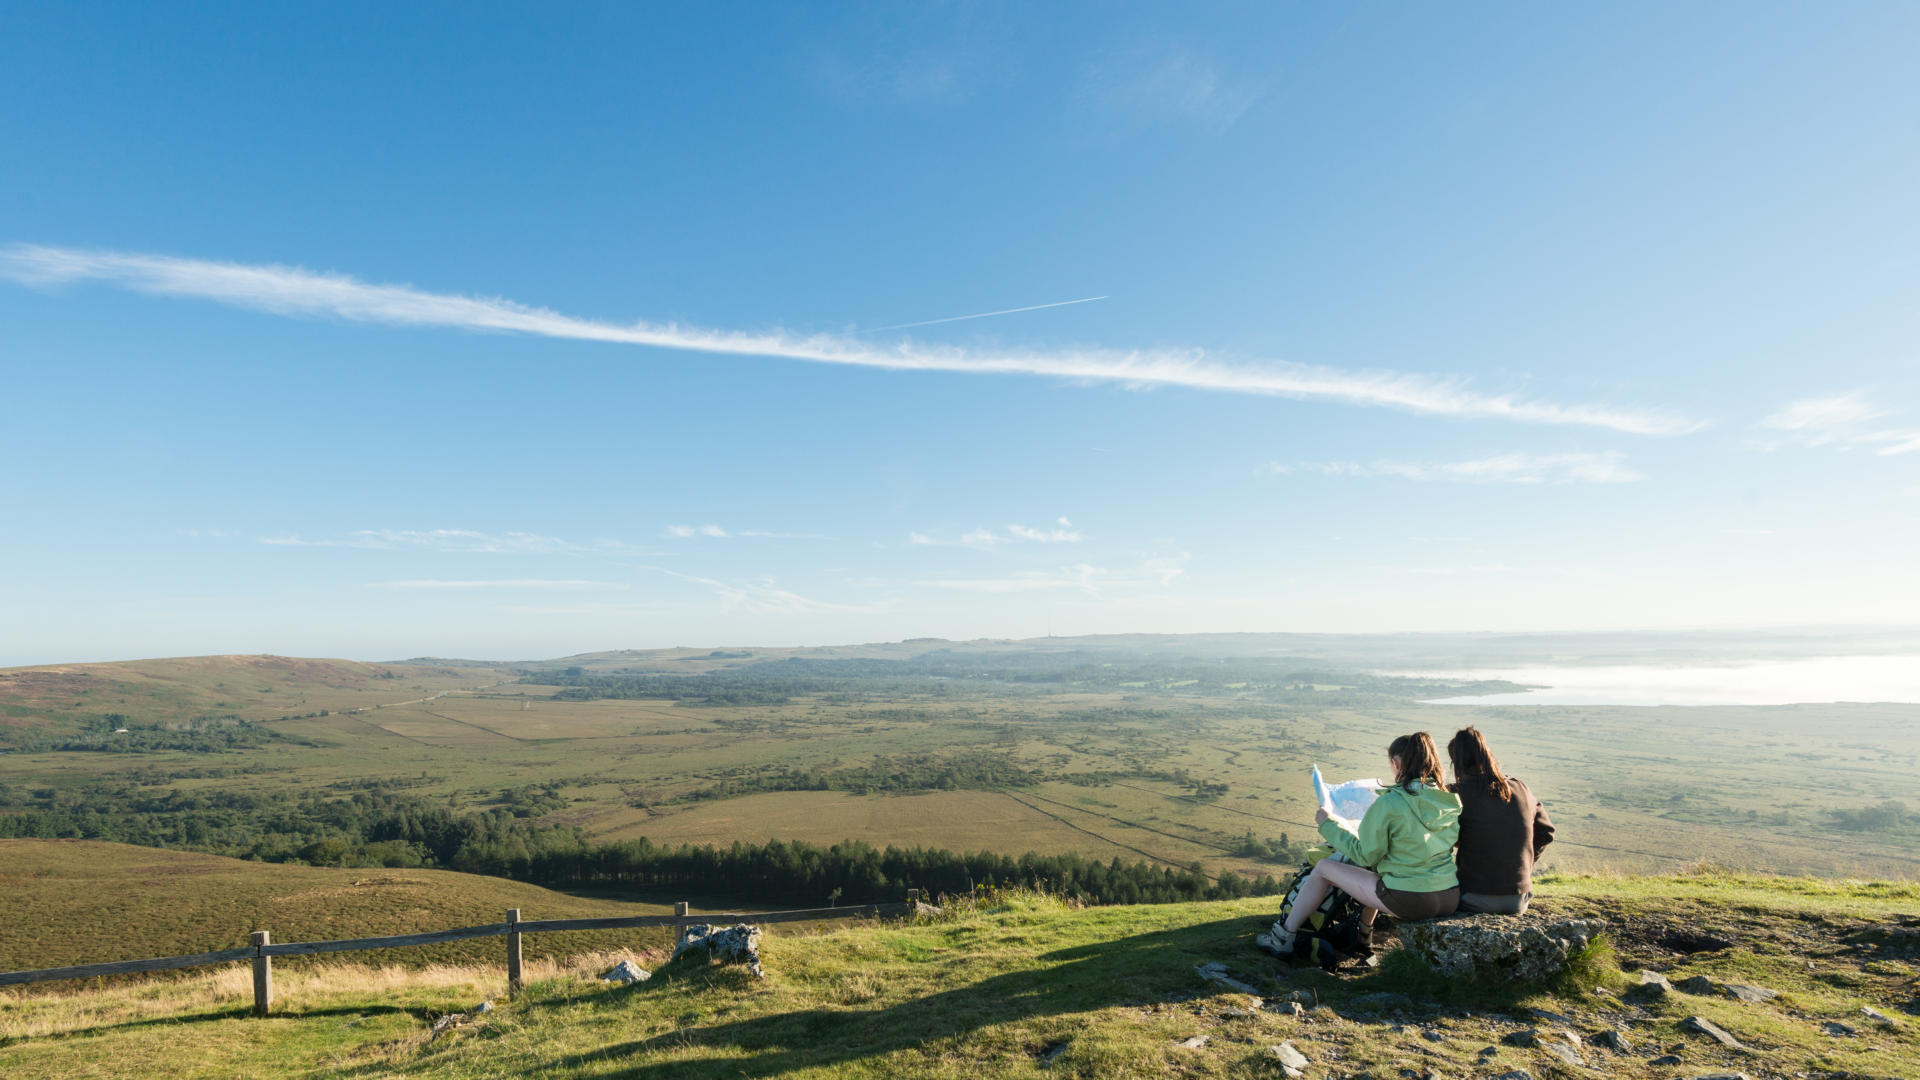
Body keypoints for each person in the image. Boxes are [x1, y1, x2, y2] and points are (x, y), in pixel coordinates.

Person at [1272, 732, 1463, 953]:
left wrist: (1329, 825)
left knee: (1324, 868)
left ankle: (1282, 937)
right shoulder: (1446, 799)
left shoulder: (1391, 802)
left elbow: (1366, 855)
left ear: (1395, 762)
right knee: (1378, 875)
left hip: (1410, 899)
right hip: (1449, 895)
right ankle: (1364, 936)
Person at [1447, 726, 1555, 914]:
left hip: (1471, 896)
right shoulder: (1520, 787)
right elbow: (1546, 832)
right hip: (1518, 899)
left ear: (1457, 761)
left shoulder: (1456, 793)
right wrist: (1525, 863)